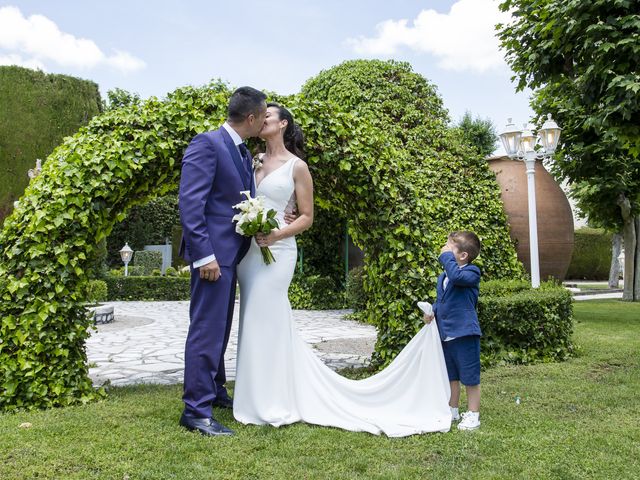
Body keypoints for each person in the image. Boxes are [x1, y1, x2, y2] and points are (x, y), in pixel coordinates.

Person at [233, 103, 453, 437]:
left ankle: (275, 399)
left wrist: (277, 232)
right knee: (253, 317)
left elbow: (306, 216)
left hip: (278, 250)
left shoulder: (298, 167)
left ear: (283, 124)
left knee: (271, 313)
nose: (262, 120)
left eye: (268, 117)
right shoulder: (254, 160)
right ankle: (254, 395)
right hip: (251, 252)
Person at [177, 86, 267, 437]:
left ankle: (214, 391)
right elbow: (191, 204)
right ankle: (195, 411)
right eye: (262, 116)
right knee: (206, 330)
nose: (264, 122)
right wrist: (205, 255)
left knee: (220, 329)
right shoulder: (207, 144)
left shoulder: (242, 152)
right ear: (251, 117)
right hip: (212, 258)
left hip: (230, 256)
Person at [423, 231, 482, 431]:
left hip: (465, 333)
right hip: (446, 333)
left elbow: (457, 277)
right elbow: (443, 300)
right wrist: (432, 312)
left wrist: (445, 256)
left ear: (463, 255)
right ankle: (452, 409)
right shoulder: (444, 276)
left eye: (449, 248)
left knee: (470, 376)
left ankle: (473, 415)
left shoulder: (471, 272)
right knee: (451, 376)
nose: (444, 250)